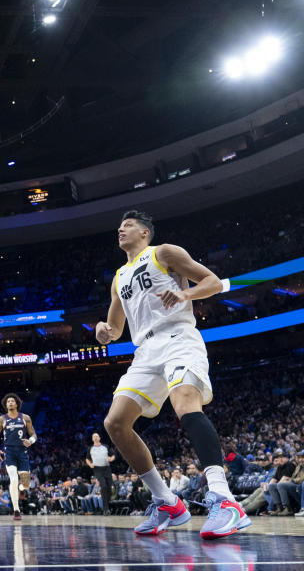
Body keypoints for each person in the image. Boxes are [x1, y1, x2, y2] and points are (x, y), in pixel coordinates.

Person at [97, 210, 251, 539]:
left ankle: (225, 500)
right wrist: (104, 331)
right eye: (119, 227)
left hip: (179, 337)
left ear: (145, 233)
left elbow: (211, 281)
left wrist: (185, 293)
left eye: (127, 226)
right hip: (145, 351)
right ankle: (166, 501)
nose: (120, 230)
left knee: (185, 406)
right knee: (115, 423)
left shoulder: (163, 252)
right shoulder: (119, 276)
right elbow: (115, 327)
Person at [0, 393, 37, 521]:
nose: (10, 403)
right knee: (13, 479)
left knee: (26, 485)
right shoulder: (2, 419)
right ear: (6, 405)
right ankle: (16, 510)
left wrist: (30, 441)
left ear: (17, 404)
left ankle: (21, 488)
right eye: (8, 402)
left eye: (12, 401)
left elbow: (33, 434)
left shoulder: (25, 418)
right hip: (10, 452)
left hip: (22, 453)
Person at [85, 432, 115, 515]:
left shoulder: (105, 446)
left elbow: (113, 455)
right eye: (93, 436)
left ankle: (107, 505)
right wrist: (90, 464)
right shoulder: (90, 448)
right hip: (98, 469)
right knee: (103, 486)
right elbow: (87, 459)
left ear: (99, 438)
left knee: (109, 488)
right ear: (92, 439)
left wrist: (111, 459)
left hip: (107, 468)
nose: (95, 438)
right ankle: (105, 509)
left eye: (96, 436)